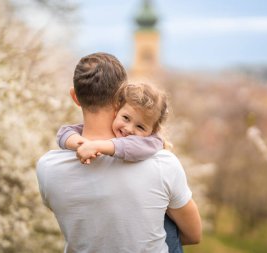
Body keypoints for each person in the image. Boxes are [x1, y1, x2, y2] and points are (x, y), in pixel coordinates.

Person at [36, 52, 202, 253]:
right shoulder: (163, 164)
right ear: (120, 99)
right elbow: (193, 235)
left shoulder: (47, 168)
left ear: (74, 97)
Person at [57, 82, 184, 252]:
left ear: (152, 131)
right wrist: (79, 143)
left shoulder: (152, 142)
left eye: (140, 127)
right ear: (116, 111)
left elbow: (132, 146)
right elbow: (64, 132)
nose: (129, 129)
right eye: (126, 118)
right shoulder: (107, 130)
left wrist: (98, 146)